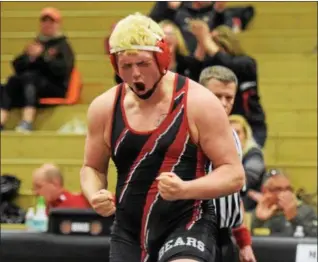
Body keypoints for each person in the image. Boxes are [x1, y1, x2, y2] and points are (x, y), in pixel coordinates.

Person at [80, 13, 244, 262]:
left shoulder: (198, 102)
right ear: (115, 66)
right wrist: (94, 194)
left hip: (188, 222)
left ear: (162, 59)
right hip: (129, 230)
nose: (135, 74)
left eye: (143, 64)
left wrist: (186, 189)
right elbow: (92, 167)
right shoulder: (104, 107)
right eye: (126, 66)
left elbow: (234, 174)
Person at [199, 66, 256, 262]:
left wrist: (244, 242)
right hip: (193, 233)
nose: (223, 103)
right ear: (200, 94)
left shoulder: (234, 136)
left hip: (224, 237)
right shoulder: (185, 134)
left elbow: (235, 193)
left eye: (229, 98)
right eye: (217, 96)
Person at [189, 22, 267, 147]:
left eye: (216, 48)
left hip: (249, 126)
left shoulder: (246, 63)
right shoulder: (210, 67)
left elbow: (229, 63)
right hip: (215, 127)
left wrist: (208, 41)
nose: (212, 54)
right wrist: (201, 44)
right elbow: (192, 75)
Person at [0, 7, 74, 132]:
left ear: (57, 25)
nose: (47, 25)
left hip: (55, 86)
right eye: (44, 21)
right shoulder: (36, 43)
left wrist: (43, 57)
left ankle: (27, 121)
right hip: (32, 85)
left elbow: (63, 70)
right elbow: (17, 66)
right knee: (11, 81)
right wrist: (30, 58)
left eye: (51, 22)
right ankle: (1, 121)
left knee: (30, 78)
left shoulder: (63, 45)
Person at [249, 169, 317, 238]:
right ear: (265, 191)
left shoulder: (305, 211)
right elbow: (251, 242)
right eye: (277, 189)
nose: (284, 194)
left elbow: (314, 238)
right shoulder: (257, 212)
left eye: (288, 189)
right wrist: (259, 221)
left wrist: (294, 218)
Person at [229, 115, 266, 211]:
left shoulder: (254, 154)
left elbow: (243, 182)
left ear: (245, 135)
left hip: (251, 209)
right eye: (230, 133)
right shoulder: (223, 154)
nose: (234, 137)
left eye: (238, 132)